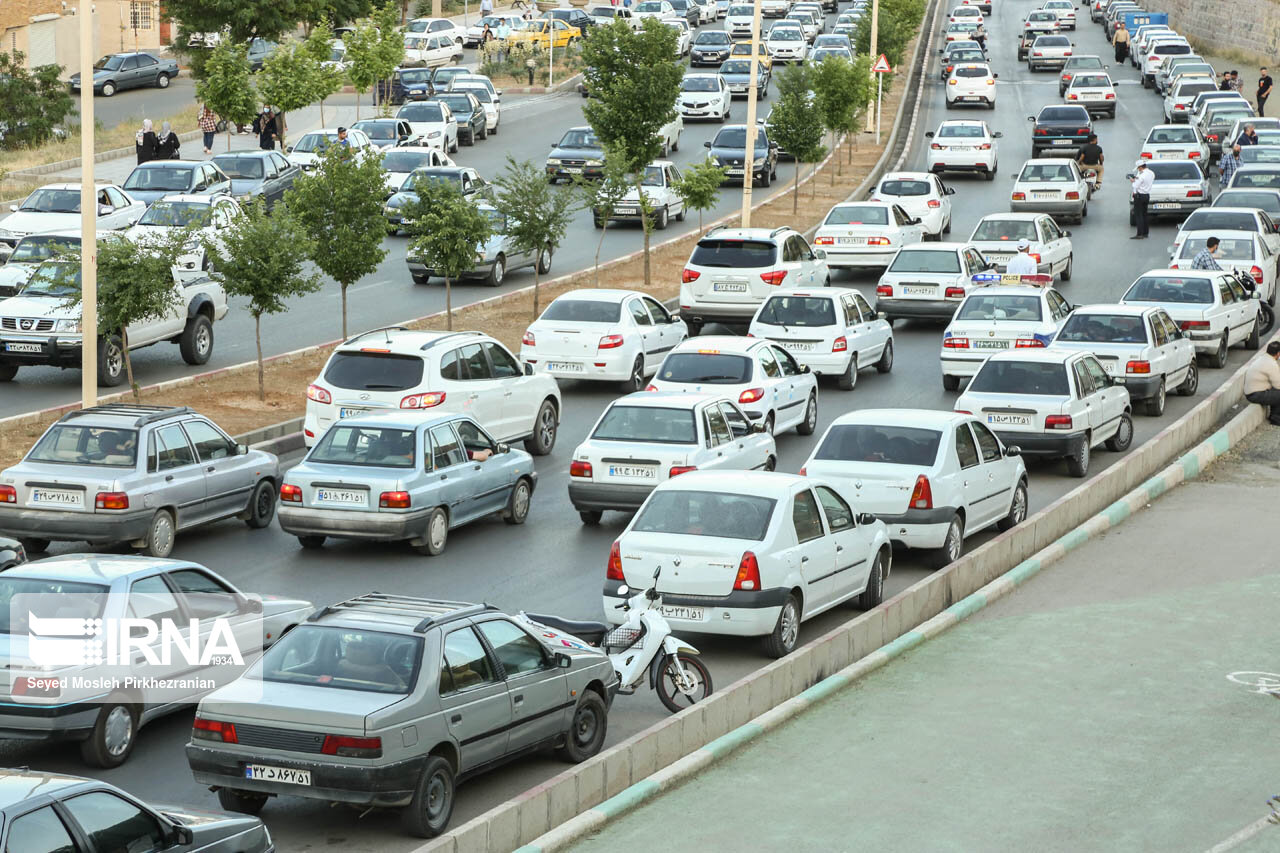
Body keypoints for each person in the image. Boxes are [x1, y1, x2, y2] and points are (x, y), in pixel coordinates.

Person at [1244, 340, 1280, 425]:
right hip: (1255, 395)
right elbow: (1278, 385)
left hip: (1251, 393)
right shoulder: (1271, 364)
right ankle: (1276, 418)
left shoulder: (1263, 358)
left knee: (1275, 391)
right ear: (1278, 353)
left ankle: (1274, 415)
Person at [1130, 161, 1154, 239]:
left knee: (1138, 215)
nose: (1138, 170)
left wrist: (1133, 182)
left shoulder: (1141, 175)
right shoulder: (1151, 173)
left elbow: (1135, 186)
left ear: (1140, 167)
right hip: (1147, 195)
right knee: (1144, 214)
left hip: (1139, 196)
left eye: (1138, 168)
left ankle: (1139, 234)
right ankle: (1145, 233)